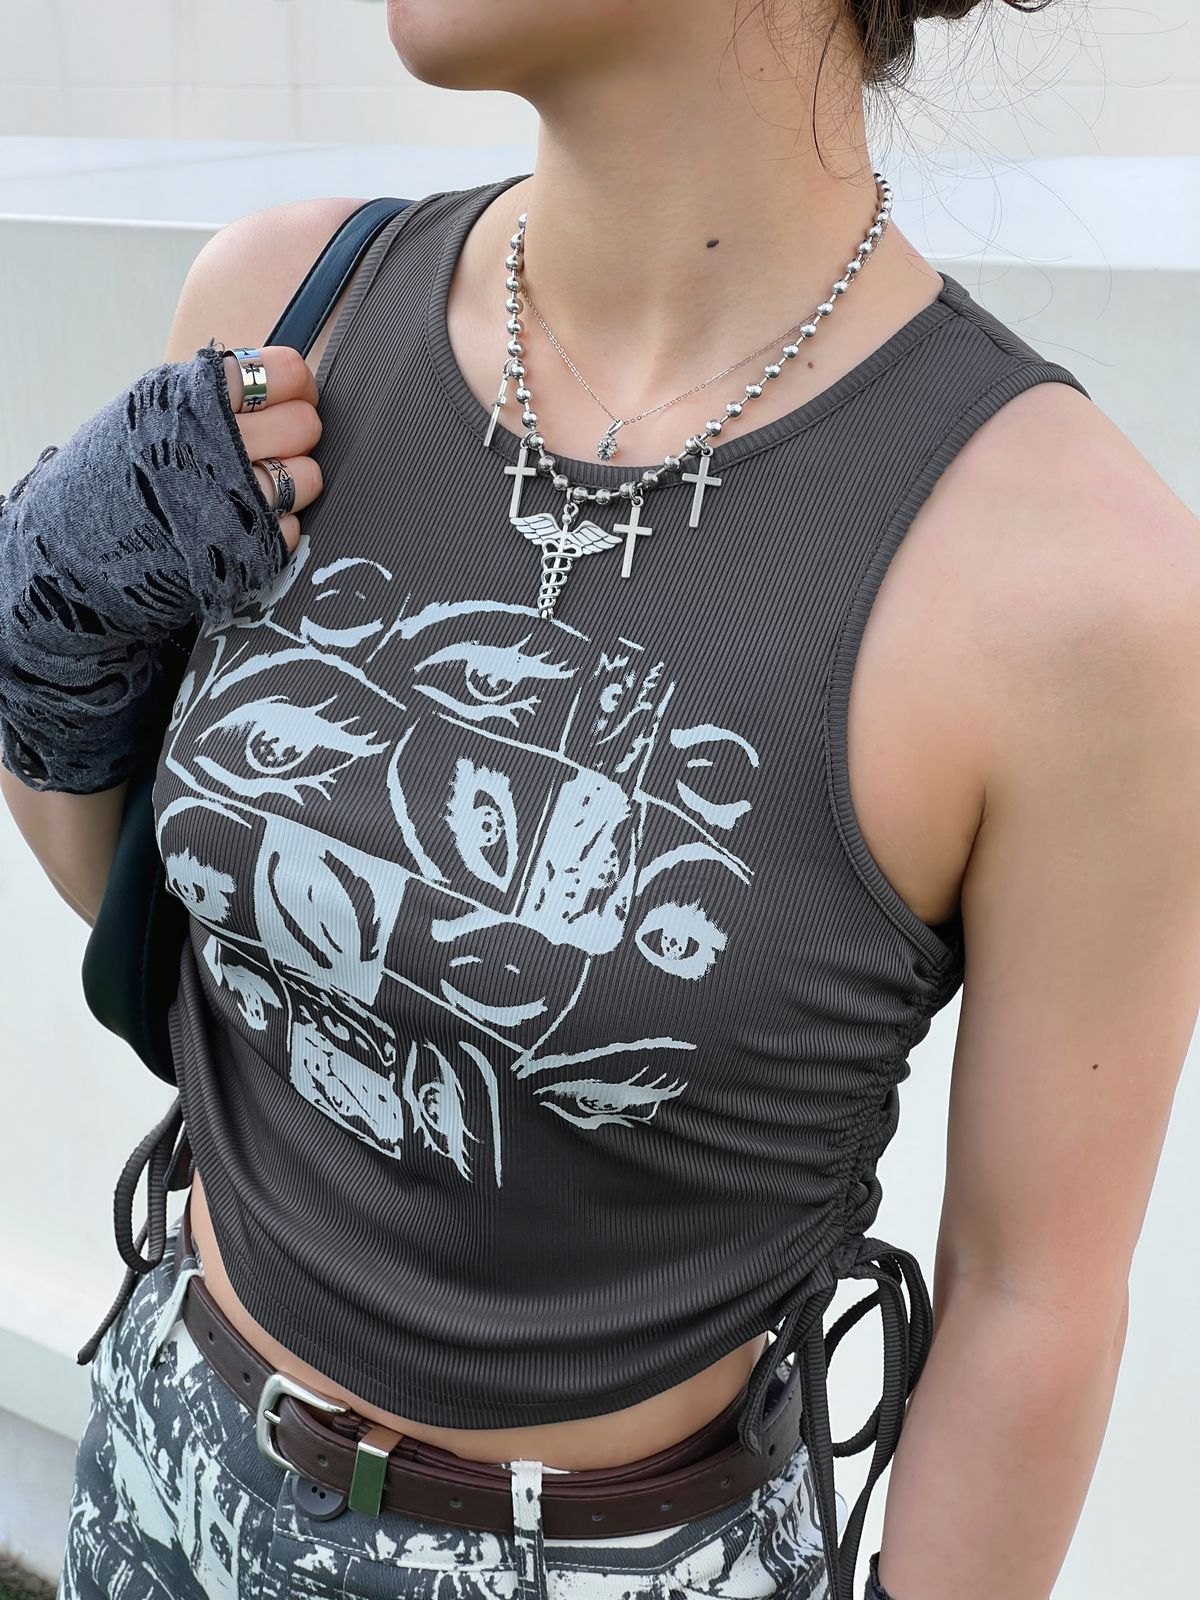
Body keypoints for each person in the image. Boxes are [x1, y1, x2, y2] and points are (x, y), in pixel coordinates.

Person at [3, 1, 1199, 1597]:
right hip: (170, 1442)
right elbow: (181, 920)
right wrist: (46, 641)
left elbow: (1029, 1298)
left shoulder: (1080, 588)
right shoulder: (287, 312)